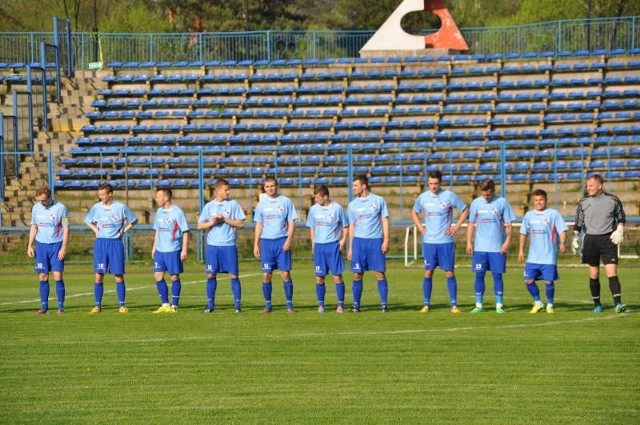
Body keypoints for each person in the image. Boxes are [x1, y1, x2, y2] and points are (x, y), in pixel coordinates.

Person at [411, 170, 469, 314]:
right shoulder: (423, 197)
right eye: (431, 183)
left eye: (436, 183)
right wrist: (420, 227)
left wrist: (456, 227)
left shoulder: (449, 195)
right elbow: (414, 212)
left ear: (440, 183)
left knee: (449, 272)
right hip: (429, 242)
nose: (433, 186)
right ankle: (426, 305)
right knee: (428, 272)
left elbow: (465, 210)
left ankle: (454, 305)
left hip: (445, 241)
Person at [572, 174, 627, 313]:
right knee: (594, 273)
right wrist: (575, 237)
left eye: (591, 185)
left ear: (600, 185)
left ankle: (618, 303)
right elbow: (579, 221)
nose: (588, 188)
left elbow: (621, 216)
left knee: (611, 272)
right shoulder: (583, 202)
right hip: (591, 240)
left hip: (608, 240)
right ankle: (597, 304)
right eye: (587, 185)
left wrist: (620, 228)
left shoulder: (612, 200)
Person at [84, 183, 138, 314]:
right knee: (98, 276)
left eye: (103, 194)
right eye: (99, 194)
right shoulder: (96, 207)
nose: (100, 196)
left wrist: (123, 231)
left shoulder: (120, 207)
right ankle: (97, 306)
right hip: (101, 243)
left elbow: (134, 220)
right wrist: (96, 230)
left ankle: (121, 305)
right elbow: (87, 220)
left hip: (115, 243)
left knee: (118, 275)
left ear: (110, 194)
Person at [465, 179, 515, 314]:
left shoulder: (502, 202)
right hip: (480, 248)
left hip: (497, 248)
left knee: (497, 276)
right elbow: (471, 224)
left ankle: (499, 305)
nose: (486, 197)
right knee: (479, 275)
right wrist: (469, 242)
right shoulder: (476, 203)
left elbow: (509, 225)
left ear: (493, 190)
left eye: (488, 194)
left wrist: (507, 242)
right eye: (483, 194)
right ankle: (479, 305)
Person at [198, 178, 246, 313]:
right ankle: (210, 306)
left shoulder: (233, 204)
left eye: (229, 189)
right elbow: (200, 225)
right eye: (226, 190)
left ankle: (237, 306)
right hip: (213, 247)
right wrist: (212, 222)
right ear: (217, 190)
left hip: (229, 245)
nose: (228, 192)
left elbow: (241, 224)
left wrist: (224, 219)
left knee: (234, 275)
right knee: (211, 275)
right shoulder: (209, 206)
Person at [518, 189, 568, 314]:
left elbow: (562, 230)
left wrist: (562, 242)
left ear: (546, 200)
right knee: (528, 280)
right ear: (533, 201)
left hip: (548, 256)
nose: (538, 202)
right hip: (533, 257)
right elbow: (523, 233)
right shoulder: (528, 216)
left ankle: (550, 305)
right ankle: (538, 303)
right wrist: (520, 250)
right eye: (536, 200)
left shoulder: (553, 214)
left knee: (548, 281)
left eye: (541, 200)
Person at [253, 176, 298, 313]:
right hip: (266, 243)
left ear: (277, 186)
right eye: (267, 187)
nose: (270, 189)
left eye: (272, 186)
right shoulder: (261, 204)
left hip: (281, 241)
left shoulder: (285, 201)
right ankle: (268, 305)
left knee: (285, 273)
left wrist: (289, 240)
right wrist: (256, 244)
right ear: (264, 188)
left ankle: (289, 305)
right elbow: (259, 225)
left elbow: (291, 222)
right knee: (266, 275)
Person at [347, 175, 390, 312]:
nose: (353, 188)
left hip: (375, 241)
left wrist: (386, 239)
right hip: (359, 243)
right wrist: (351, 247)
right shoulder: (352, 205)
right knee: (357, 274)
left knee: (379, 273)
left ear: (363, 186)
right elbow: (352, 226)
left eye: (355, 185)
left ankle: (384, 304)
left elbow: (384, 220)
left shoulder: (378, 200)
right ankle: (356, 305)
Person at [27, 186, 70, 315]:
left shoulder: (61, 208)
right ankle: (44, 307)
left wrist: (64, 247)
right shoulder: (36, 208)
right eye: (40, 200)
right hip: (41, 246)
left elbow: (66, 228)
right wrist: (30, 245)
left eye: (44, 200)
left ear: (50, 197)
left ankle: (61, 307)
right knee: (42, 276)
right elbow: (34, 227)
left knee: (58, 275)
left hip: (56, 245)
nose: (42, 203)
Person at [306, 185, 348, 313]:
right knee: (319, 277)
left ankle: (340, 305)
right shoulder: (313, 210)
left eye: (318, 197)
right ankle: (321, 305)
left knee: (337, 276)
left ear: (325, 196)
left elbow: (346, 226)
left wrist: (343, 239)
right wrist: (313, 243)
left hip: (332, 246)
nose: (316, 200)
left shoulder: (337, 209)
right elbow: (312, 227)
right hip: (319, 247)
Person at [151, 187, 189, 314]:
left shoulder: (178, 212)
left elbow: (185, 231)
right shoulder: (159, 212)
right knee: (158, 276)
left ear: (166, 198)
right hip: (160, 250)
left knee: (174, 276)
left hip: (173, 250)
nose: (156, 199)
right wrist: (154, 247)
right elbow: (158, 230)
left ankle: (175, 305)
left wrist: (184, 249)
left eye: (158, 197)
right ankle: (165, 304)